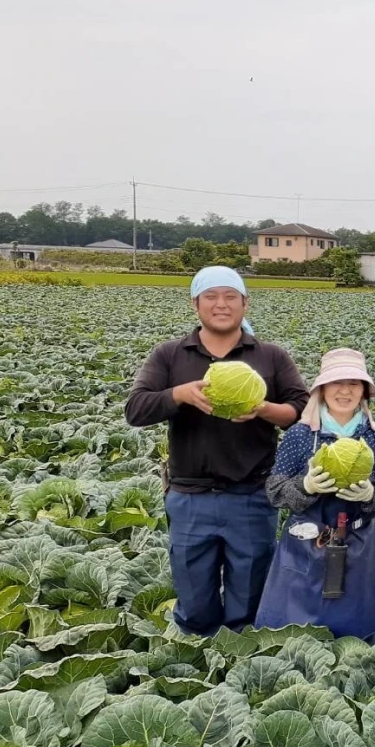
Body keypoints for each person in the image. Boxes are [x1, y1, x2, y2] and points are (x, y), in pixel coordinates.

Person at [124, 266, 309, 635]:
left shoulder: (270, 356)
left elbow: (302, 411)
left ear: (245, 303)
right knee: (194, 600)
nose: (220, 305)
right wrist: (179, 394)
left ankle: (242, 663)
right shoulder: (170, 355)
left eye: (230, 297)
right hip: (191, 497)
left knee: (251, 598)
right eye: (211, 296)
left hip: (252, 496)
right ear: (196, 304)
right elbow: (136, 409)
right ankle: (198, 661)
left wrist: (264, 410)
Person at [255, 349, 375, 640]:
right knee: (293, 628)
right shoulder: (300, 435)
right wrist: (305, 487)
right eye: (336, 383)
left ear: (364, 392)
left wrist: (371, 495)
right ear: (322, 389)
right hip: (305, 543)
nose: (344, 391)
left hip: (358, 543)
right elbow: (275, 492)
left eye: (354, 384)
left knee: (355, 629)